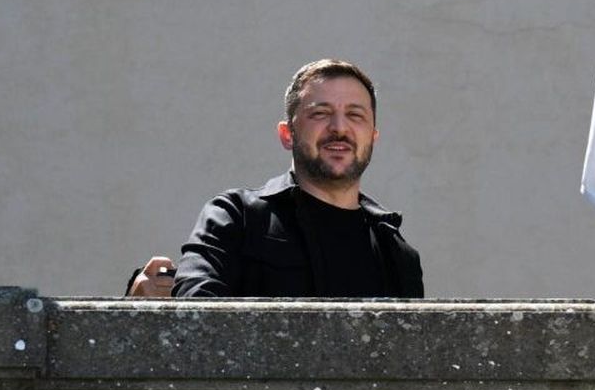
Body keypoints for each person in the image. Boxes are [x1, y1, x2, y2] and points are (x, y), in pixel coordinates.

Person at [131, 59, 423, 299]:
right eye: (320, 113)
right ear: (287, 135)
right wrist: (145, 302)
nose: (339, 127)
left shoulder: (396, 252)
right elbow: (196, 319)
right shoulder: (235, 217)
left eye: (355, 115)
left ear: (372, 138)